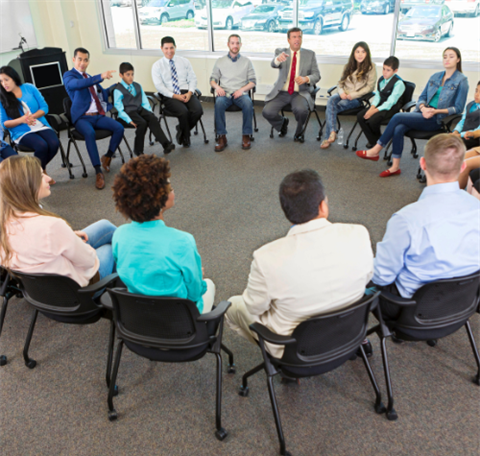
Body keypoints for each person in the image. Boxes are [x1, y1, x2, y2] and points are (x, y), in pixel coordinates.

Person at [225, 169, 374, 359]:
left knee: (233, 305)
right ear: (323, 206)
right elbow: (367, 278)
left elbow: (254, 308)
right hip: (349, 333)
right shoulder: (358, 233)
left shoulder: (267, 258)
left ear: (287, 212)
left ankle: (281, 366)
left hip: (296, 351)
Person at [372, 134, 480, 320]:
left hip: (410, 312)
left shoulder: (406, 219)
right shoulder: (476, 208)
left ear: (423, 164)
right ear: (463, 167)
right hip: (461, 305)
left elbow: (382, 277)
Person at [112, 154, 215, 314]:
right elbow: (194, 294)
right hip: (178, 323)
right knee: (209, 285)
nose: (172, 190)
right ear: (159, 198)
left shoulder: (119, 234)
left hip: (139, 316)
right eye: (169, 187)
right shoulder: (182, 241)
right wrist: (199, 279)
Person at [0, 156, 116, 285]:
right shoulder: (51, 226)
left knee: (105, 226)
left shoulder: (4, 220)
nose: (48, 178)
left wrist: (68, 236)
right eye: (41, 175)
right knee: (110, 248)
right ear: (26, 185)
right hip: (81, 291)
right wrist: (85, 248)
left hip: (42, 291)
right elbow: (88, 261)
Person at [357, 47, 469, 178]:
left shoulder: (462, 81)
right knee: (399, 127)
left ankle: (376, 150)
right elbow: (421, 98)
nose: (447, 59)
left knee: (398, 116)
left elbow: (459, 108)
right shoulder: (435, 76)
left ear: (458, 59)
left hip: (437, 119)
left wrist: (435, 111)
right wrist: (423, 108)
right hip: (422, 113)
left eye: (451, 56)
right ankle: (395, 167)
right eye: (445, 57)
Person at [63, 47, 124, 190]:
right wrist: (100, 76)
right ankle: (98, 171)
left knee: (119, 128)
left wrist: (116, 86)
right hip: (82, 119)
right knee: (89, 133)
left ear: (88, 61)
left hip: (97, 115)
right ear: (73, 60)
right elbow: (78, 85)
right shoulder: (69, 76)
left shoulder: (89, 76)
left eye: (85, 60)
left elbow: (102, 93)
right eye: (79, 59)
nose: (82, 63)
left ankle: (107, 156)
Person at [0, 66, 59, 183]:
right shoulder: (2, 98)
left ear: (14, 78)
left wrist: (33, 116)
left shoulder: (29, 88)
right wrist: (22, 120)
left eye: (6, 79)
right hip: (21, 131)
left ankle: (38, 171)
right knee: (41, 145)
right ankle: (41, 175)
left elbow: (44, 107)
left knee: (54, 143)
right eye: (1, 81)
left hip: (39, 124)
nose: (3, 84)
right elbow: (4, 123)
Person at [262, 28, 321, 142]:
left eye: (299, 37)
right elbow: (273, 64)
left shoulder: (310, 55)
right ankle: (282, 123)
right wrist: (278, 59)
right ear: (288, 40)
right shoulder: (281, 52)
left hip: (300, 92)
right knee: (267, 112)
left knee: (301, 110)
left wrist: (306, 78)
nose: (297, 39)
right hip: (282, 92)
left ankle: (299, 132)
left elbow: (317, 75)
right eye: (294, 37)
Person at [321, 42, 377, 149]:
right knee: (331, 100)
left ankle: (328, 137)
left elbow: (370, 87)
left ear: (367, 54)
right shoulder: (348, 66)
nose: (360, 54)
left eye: (363, 52)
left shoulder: (371, 67)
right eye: (357, 52)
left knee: (331, 108)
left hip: (356, 98)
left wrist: (354, 94)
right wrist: (341, 92)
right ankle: (333, 131)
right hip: (343, 94)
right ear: (353, 53)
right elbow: (340, 82)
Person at [113, 62, 175, 157]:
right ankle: (138, 150)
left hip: (139, 109)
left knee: (152, 118)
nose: (131, 77)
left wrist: (149, 113)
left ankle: (166, 144)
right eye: (128, 75)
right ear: (121, 75)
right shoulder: (118, 90)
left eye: (132, 74)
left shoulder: (137, 86)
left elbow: (145, 102)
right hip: (128, 113)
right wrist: (129, 120)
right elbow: (119, 110)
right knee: (142, 123)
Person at [151, 36, 203, 148]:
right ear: (161, 48)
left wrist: (190, 93)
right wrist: (175, 96)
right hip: (169, 95)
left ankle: (182, 129)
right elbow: (159, 86)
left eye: (171, 48)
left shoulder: (184, 61)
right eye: (166, 48)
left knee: (198, 110)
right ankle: (185, 137)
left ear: (175, 47)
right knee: (183, 112)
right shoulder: (157, 66)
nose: (169, 51)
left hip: (186, 91)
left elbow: (193, 79)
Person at [210, 34, 256, 152]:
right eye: (232, 43)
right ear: (228, 44)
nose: (235, 46)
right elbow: (212, 79)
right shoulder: (220, 61)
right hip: (224, 93)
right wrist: (217, 87)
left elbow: (252, 82)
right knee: (219, 104)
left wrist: (241, 90)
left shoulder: (247, 62)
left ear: (240, 45)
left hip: (241, 94)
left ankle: (246, 135)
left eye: (237, 43)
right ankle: (221, 137)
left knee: (248, 103)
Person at [356, 56, 405, 149]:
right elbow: (378, 96)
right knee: (360, 116)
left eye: (388, 70)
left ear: (395, 71)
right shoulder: (381, 79)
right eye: (383, 69)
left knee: (372, 120)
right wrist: (371, 108)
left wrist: (373, 111)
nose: (384, 72)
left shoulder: (399, 84)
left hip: (391, 109)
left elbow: (390, 102)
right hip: (381, 105)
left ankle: (379, 141)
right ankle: (374, 140)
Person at [452, 80, 480, 150]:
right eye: (476, 91)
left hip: (474, 138)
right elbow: (462, 121)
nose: (476, 94)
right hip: (462, 134)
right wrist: (455, 132)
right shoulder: (470, 105)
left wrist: (459, 135)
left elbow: (477, 131)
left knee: (452, 145)